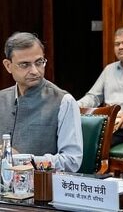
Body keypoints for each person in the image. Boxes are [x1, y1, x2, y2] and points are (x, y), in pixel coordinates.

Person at [0, 32, 82, 172]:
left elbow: (71, 161)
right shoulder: (2, 98)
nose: (34, 71)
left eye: (39, 62)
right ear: (8, 66)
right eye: (25, 65)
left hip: (42, 188)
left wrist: (24, 160)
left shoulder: (63, 101)